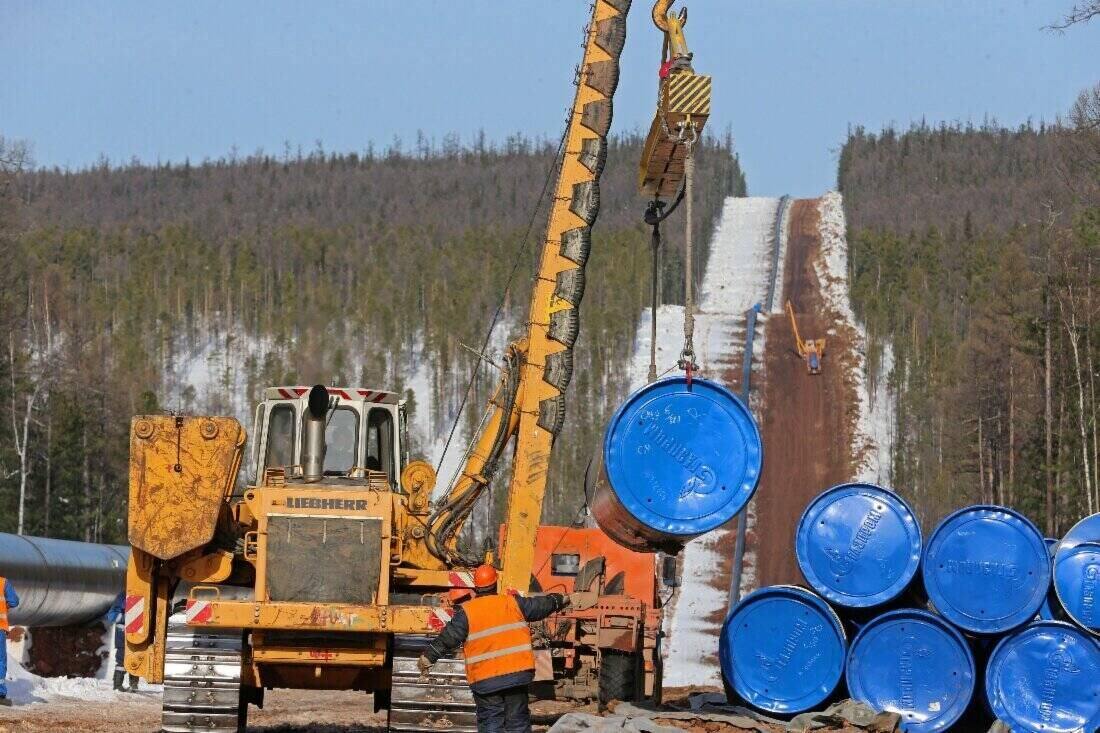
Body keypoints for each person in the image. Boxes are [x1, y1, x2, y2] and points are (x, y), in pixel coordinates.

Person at [418, 564, 596, 733]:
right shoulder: (512, 603)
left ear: (475, 587)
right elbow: (540, 606)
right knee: (517, 721)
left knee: (491, 721)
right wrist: (560, 599)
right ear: (495, 583)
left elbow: (448, 638)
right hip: (515, 674)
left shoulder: (467, 612)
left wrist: (428, 657)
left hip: (485, 680)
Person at [105, 593, 139, 692]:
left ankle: (133, 684)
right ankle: (118, 685)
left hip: (135, 633)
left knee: (136, 657)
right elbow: (111, 616)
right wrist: (127, 618)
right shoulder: (122, 597)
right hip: (122, 635)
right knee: (121, 659)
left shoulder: (126, 595)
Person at [0, 576, 20, 706]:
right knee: (0, 660)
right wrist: (4, 606)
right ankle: (0, 694)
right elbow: (14, 601)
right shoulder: (3, 582)